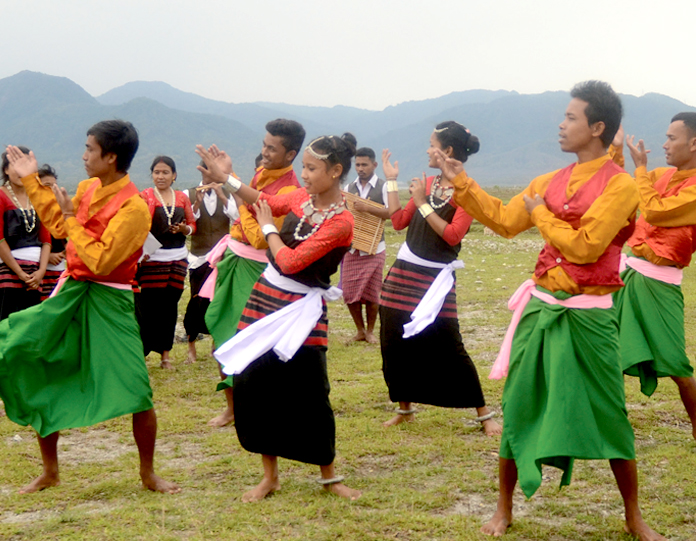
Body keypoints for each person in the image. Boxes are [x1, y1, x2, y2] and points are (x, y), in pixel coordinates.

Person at [444, 81, 664, 540]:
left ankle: (634, 516)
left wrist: (542, 214)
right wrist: (461, 180)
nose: (561, 125)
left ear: (597, 127)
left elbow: (586, 248)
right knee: (518, 403)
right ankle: (503, 509)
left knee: (610, 409)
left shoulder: (621, 185)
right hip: (541, 310)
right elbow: (505, 221)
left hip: (591, 315)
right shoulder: (548, 181)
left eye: (570, 117)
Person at [0, 120, 179, 495]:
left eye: (89, 149)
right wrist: (32, 181)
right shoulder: (87, 188)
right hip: (72, 292)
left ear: (110, 157)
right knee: (41, 367)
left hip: (112, 299)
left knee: (137, 386)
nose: (83, 156)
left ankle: (148, 474)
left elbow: (100, 259)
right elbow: (58, 227)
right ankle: (50, 472)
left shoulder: (134, 208)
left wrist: (71, 218)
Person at [196, 133, 361, 502]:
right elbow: (264, 200)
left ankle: (330, 477)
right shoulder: (302, 199)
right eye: (304, 167)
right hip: (265, 298)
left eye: (312, 169)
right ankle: (269, 477)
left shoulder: (342, 222)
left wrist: (269, 228)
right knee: (256, 383)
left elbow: (290, 261)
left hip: (303, 309)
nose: (305, 175)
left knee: (312, 391)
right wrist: (227, 178)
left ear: (335, 171)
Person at [378, 122, 502, 436]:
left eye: (432, 144)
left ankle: (484, 415)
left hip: (435, 281)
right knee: (394, 340)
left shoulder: (466, 192)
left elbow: (452, 235)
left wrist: (421, 203)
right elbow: (398, 221)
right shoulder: (428, 183)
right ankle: (405, 408)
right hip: (403, 274)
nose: (427, 150)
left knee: (449, 343)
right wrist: (391, 181)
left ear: (446, 151)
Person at [201, 119, 304, 428]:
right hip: (235, 261)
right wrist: (231, 177)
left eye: (272, 148)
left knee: (249, 337)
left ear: (290, 154)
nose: (265, 152)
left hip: (259, 271)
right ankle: (232, 408)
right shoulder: (260, 174)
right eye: (264, 145)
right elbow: (246, 210)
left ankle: (257, 406)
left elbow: (261, 237)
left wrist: (240, 202)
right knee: (222, 334)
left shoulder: (290, 189)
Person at [614, 113, 696, 441]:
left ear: (694, 143)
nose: (664, 144)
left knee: (676, 365)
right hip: (628, 274)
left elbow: (656, 212)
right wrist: (616, 151)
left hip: (660, 284)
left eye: (672, 138)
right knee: (609, 349)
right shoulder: (662, 175)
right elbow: (623, 188)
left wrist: (640, 169)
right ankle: (611, 428)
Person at [136, 156, 196, 370]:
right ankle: (142, 355)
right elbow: (136, 225)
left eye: (165, 172)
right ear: (152, 175)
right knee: (148, 307)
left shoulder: (182, 198)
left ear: (174, 175)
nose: (160, 176)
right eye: (157, 172)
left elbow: (192, 226)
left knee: (170, 307)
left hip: (177, 260)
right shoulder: (145, 196)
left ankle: (165, 357)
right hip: (152, 260)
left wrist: (183, 229)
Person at [182, 160, 238, 364]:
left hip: (221, 255)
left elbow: (236, 217)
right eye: (208, 171)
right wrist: (197, 203)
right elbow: (189, 222)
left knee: (219, 299)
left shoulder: (229, 193)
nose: (211, 175)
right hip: (198, 258)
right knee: (196, 300)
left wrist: (222, 195)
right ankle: (191, 345)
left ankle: (216, 342)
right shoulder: (188, 194)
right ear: (202, 172)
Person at [341, 147, 391, 344]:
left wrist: (367, 208)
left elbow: (391, 212)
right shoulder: (348, 188)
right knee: (349, 291)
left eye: (364, 164)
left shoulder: (384, 187)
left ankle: (370, 331)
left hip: (375, 248)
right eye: (358, 165)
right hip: (352, 247)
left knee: (372, 292)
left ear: (374, 165)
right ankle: (360, 330)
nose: (360, 168)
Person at [0, 146, 51, 320]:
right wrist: (19, 272)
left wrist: (41, 271)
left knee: (30, 325)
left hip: (35, 275)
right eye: (16, 165)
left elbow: (46, 240)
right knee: (7, 323)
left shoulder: (38, 197)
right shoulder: (1, 196)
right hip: (8, 272)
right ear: (6, 170)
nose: (21, 171)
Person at [36, 164, 67, 297]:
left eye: (54, 186)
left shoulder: (59, 212)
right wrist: (46, 257)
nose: (52, 190)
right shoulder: (29, 212)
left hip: (59, 271)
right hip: (38, 272)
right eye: (47, 185)